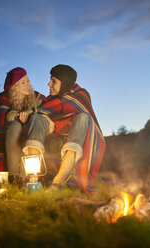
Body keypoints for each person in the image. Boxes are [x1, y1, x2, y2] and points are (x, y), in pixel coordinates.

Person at [23, 64, 106, 192]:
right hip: (50, 147)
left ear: (65, 83)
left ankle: (57, 183)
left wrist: (50, 119)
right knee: (37, 118)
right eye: (50, 79)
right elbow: (42, 112)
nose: (49, 84)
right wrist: (43, 116)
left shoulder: (81, 95)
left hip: (75, 149)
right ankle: (33, 180)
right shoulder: (48, 102)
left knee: (84, 117)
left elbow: (77, 114)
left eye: (53, 81)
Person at [0, 67, 44, 183]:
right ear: (14, 86)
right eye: (22, 83)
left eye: (27, 81)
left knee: (32, 124)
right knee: (15, 126)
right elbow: (5, 117)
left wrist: (31, 111)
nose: (27, 85)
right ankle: (15, 177)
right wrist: (18, 115)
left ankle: (27, 176)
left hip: (32, 132)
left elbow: (48, 109)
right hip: (10, 135)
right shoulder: (5, 97)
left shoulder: (37, 97)